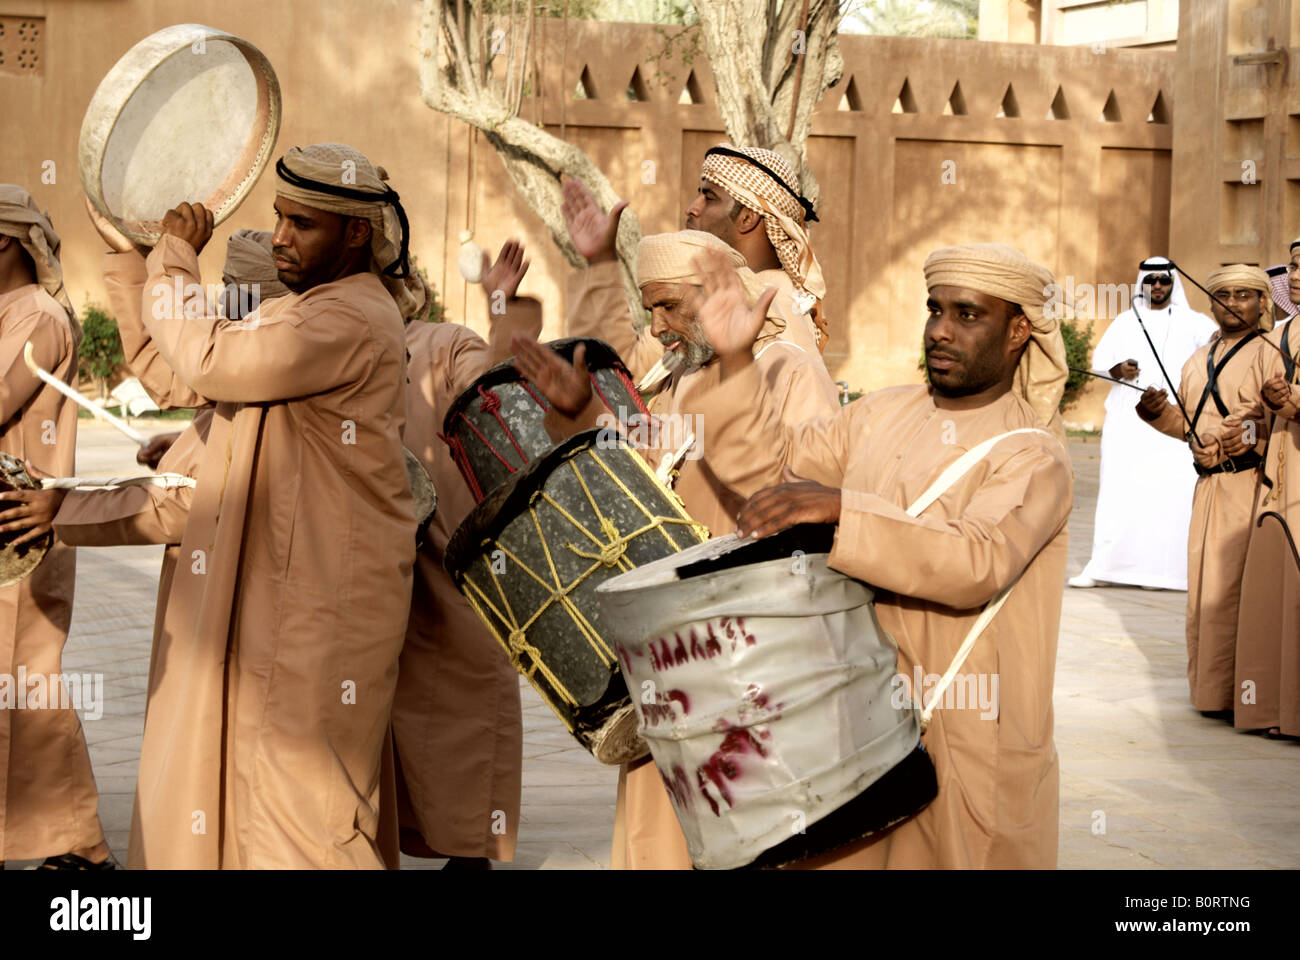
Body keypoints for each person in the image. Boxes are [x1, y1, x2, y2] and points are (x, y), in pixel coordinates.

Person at [684, 241, 1073, 868]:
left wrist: (844, 509)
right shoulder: (881, 412)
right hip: (859, 724)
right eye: (935, 309)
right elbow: (772, 484)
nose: (941, 331)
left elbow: (977, 562)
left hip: (967, 729)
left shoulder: (1033, 453)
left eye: (968, 315)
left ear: (1019, 331)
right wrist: (734, 362)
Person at [98, 143, 417, 868]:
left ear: (356, 233)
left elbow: (211, 361)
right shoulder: (318, 311)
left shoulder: (343, 319)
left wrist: (175, 258)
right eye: (277, 218)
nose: (278, 239)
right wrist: (134, 260)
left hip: (326, 605)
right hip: (293, 593)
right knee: (264, 810)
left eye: (300, 223)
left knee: (308, 816)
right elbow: (190, 377)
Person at [513, 228, 838, 870]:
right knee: (657, 829)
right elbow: (640, 469)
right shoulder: (676, 378)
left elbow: (797, 496)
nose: (657, 326)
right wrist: (580, 417)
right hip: (668, 649)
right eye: (649, 307)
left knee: (747, 826)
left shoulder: (788, 370)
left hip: (750, 648)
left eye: (669, 306)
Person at [395, 247, 540, 870]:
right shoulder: (330, 338)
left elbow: (495, 388)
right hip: (410, 557)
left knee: (461, 702)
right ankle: (463, 846)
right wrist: (499, 302)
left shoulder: (438, 342)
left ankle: (470, 850)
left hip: (447, 555)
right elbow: (499, 388)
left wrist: (499, 304)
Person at [0, 185, 108, 870]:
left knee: (28, 683)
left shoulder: (36, 316)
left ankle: (81, 844)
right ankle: (71, 842)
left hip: (18, 534)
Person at [1136, 264, 1272, 720]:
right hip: (1210, 489)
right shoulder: (1198, 360)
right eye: (1224, 295)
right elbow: (1188, 427)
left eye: (1243, 295)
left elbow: (1278, 418)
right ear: (1211, 303)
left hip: (1258, 490)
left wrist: (1252, 432)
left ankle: (1254, 697)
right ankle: (1214, 694)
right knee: (1207, 591)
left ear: (1261, 302)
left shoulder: (1273, 353)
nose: (1232, 303)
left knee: (1243, 593)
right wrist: (1156, 413)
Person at [1070, 256, 1217, 589]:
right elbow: (1101, 366)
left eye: (1164, 280)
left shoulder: (1195, 322)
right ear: (1142, 284)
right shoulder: (1124, 321)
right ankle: (1108, 568)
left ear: (1173, 283)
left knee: (1170, 495)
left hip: (1172, 422)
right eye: (1151, 281)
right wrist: (1119, 370)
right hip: (1127, 422)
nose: (1158, 287)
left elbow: (1218, 357)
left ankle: (1164, 572)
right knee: (1120, 492)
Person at [1235, 242, 1300, 737]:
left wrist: (1294, 402)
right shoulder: (1280, 334)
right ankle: (1276, 709)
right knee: (1276, 586)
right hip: (1280, 467)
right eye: (1294, 265)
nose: (1296, 275)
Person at [685, 143, 828, 352]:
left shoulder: (776, 310)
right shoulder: (737, 295)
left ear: (747, 218)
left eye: (709, 198)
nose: (692, 209)